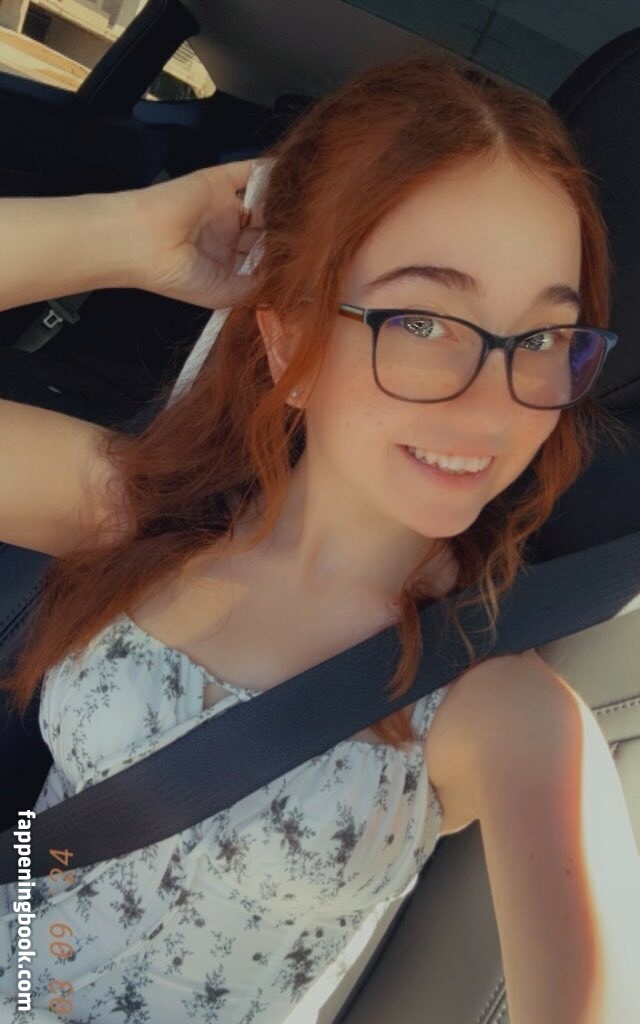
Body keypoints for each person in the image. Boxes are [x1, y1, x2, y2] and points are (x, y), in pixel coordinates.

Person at [0, 54, 629, 1023]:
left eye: (542, 338)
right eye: (424, 321)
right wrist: (123, 235)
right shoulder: (141, 517)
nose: (492, 405)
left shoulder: (497, 711)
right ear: (289, 338)